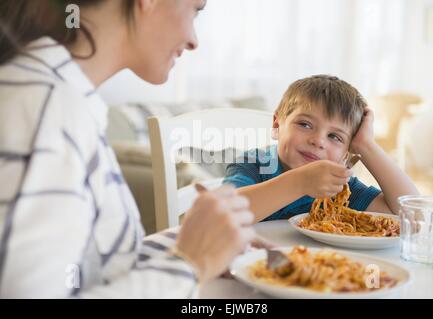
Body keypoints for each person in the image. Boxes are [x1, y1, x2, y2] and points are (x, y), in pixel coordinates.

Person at [0, 0, 257, 298]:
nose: (194, 40)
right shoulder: (48, 110)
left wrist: (205, 243)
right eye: (195, 9)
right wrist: (189, 264)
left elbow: (96, 268)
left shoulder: (60, 99)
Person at [223, 75, 419, 222]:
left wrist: (366, 146)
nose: (318, 141)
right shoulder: (254, 164)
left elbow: (412, 215)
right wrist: (300, 182)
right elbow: (224, 213)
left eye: (334, 136)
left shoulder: (339, 187)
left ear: (347, 152)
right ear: (276, 125)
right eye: (305, 124)